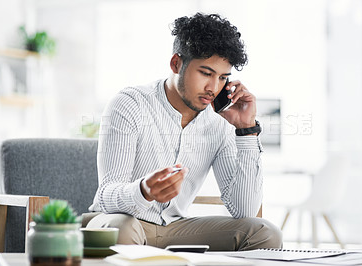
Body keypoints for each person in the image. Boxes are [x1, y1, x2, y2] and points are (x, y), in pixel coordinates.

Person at [85, 12, 282, 251]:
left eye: (222, 78)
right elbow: (106, 195)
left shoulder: (221, 122)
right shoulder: (130, 104)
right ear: (176, 63)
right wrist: (144, 191)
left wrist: (246, 129)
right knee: (124, 229)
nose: (213, 88)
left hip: (176, 228)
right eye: (206, 73)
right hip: (120, 221)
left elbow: (244, 210)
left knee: (265, 233)